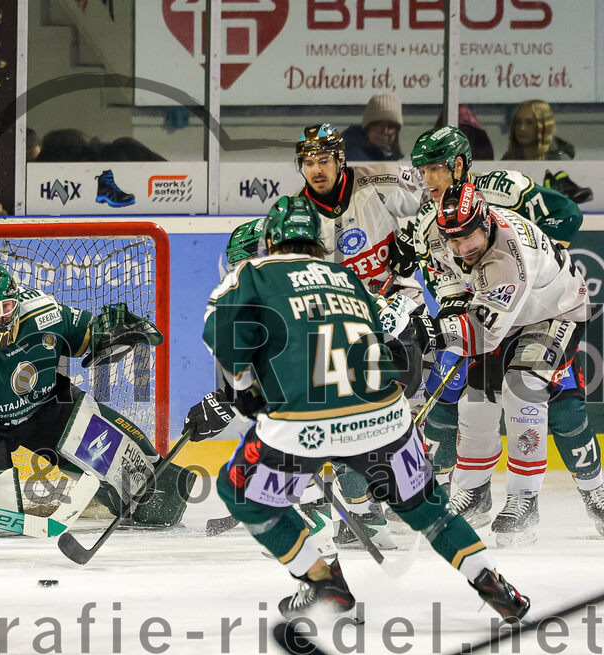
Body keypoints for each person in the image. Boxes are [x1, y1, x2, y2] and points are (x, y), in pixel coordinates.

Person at [191, 195, 529, 621]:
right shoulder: (345, 277)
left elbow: (218, 335)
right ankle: (490, 581)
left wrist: (243, 393)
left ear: (270, 240)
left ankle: (322, 583)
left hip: (305, 422)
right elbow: (386, 334)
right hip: (385, 416)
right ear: (318, 239)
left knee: (240, 491)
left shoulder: (251, 273)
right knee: (426, 507)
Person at [394, 126, 603, 540]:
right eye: (423, 170)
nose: (428, 179)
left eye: (436, 168)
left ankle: (527, 500)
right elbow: (446, 278)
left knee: (526, 387)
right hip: (496, 310)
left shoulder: (504, 236)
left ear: (458, 165)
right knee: (477, 396)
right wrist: (446, 313)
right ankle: (473, 494)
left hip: (552, 310)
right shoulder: (434, 224)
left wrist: (433, 333)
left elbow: (482, 331)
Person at [0, 263, 194, 529]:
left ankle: (147, 503)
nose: (0, 317)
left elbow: (86, 334)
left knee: (126, 462)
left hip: (46, 407)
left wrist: (110, 334)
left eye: (6, 307)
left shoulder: (43, 311)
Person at [295, 122, 427, 548]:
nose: (316, 169)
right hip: (346, 322)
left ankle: (407, 491)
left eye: (324, 160)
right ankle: (366, 508)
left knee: (409, 406)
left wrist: (417, 242)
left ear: (340, 159)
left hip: (400, 305)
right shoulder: (298, 216)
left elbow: (441, 207)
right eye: (308, 162)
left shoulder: (384, 181)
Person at [502, 100, 574, 161]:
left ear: (544, 126)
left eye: (529, 123)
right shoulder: (507, 160)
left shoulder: (559, 161)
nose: (522, 128)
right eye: (518, 122)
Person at [342, 92, 404, 161]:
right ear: (367, 127)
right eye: (379, 125)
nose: (385, 131)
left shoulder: (392, 154)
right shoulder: (350, 153)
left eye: (391, 126)